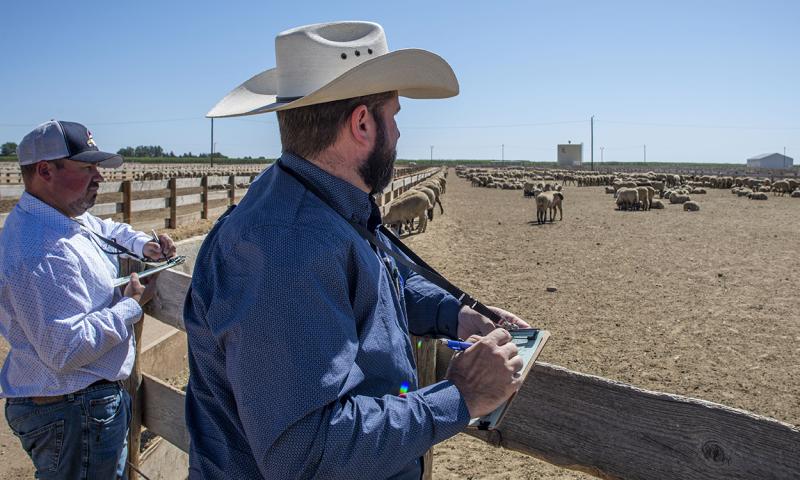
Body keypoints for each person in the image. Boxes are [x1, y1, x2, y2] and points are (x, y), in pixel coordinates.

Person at [184, 21, 529, 479]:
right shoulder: (287, 247)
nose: (400, 134)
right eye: (395, 116)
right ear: (362, 122)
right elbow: (305, 452)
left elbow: (371, 280)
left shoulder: (312, 202)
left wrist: (452, 314)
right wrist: (461, 395)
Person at [0, 120, 177, 479]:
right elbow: (65, 349)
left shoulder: (58, 217)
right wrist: (131, 305)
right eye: (86, 168)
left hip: (76, 406)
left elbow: (106, 229)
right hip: (74, 410)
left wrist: (144, 244)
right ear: (45, 170)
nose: (99, 176)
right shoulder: (42, 252)